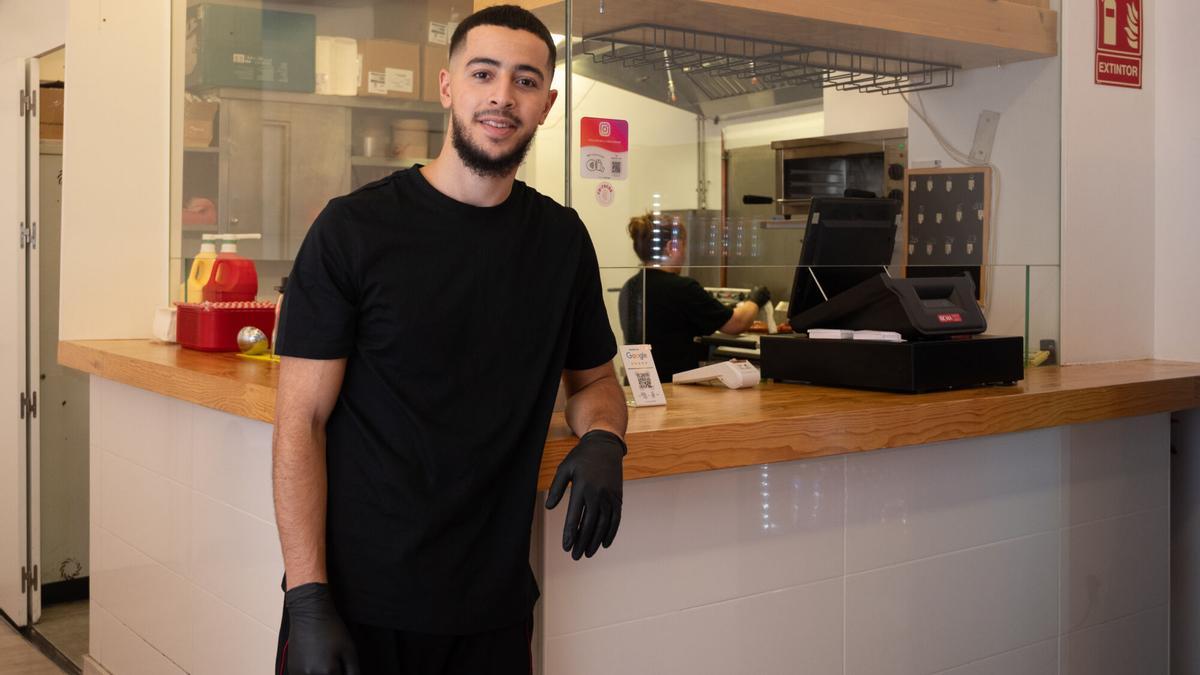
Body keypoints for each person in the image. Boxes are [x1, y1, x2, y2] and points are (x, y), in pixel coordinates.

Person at [271, 6, 628, 674]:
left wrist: (605, 436)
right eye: (483, 73)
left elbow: (595, 381)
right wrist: (309, 596)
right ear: (447, 87)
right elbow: (300, 419)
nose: (502, 94)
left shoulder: (562, 241)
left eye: (525, 80)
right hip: (357, 604)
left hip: (490, 610)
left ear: (547, 104)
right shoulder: (354, 230)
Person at [618, 213, 770, 381]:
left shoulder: (630, 287)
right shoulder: (682, 288)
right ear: (671, 247)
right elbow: (736, 323)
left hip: (639, 385)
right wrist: (756, 299)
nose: (685, 254)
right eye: (683, 246)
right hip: (673, 387)